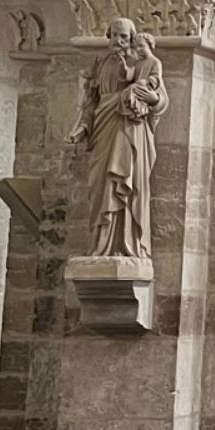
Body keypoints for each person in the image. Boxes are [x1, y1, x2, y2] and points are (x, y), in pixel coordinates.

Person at [67, 17, 168, 259]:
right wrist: (82, 127)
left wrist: (154, 100)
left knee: (124, 180)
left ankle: (128, 246)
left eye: (123, 37)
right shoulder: (100, 63)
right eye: (114, 35)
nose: (118, 41)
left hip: (129, 128)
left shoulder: (142, 63)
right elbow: (90, 102)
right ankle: (100, 246)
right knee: (100, 183)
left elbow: (160, 98)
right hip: (103, 125)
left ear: (132, 39)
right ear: (108, 36)